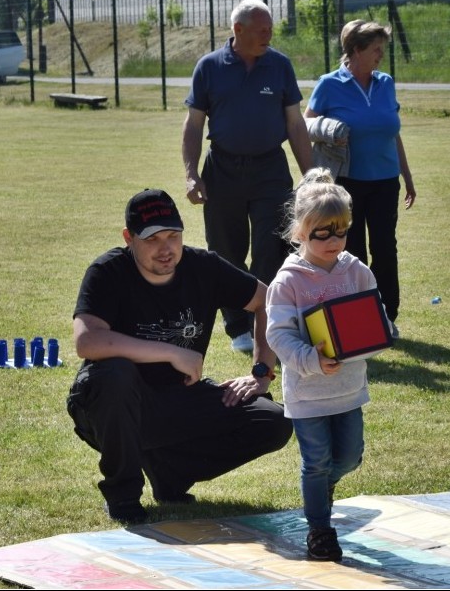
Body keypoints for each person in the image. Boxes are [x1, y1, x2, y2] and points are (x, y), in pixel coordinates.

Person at [66, 189, 293, 525]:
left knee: (273, 421)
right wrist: (171, 352)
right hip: (110, 406)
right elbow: (87, 341)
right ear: (129, 239)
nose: (166, 248)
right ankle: (123, 495)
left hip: (178, 398)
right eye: (152, 238)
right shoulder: (108, 271)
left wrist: (262, 371)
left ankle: (169, 473)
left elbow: (268, 301)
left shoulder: (203, 267)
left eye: (173, 236)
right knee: (115, 373)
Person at [266, 169, 385, 562]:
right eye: (322, 233)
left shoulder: (356, 271)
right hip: (307, 392)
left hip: (348, 390)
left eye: (341, 230)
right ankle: (320, 529)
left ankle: (322, 488)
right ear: (300, 231)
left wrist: (378, 333)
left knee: (349, 457)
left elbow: (375, 315)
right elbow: (278, 335)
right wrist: (311, 360)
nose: (334, 241)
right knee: (315, 461)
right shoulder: (289, 280)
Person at [182, 0, 312, 353]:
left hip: (270, 168)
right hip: (222, 169)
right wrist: (192, 174)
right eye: (262, 30)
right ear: (238, 30)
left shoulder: (280, 66)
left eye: (270, 29)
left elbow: (295, 123)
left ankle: (268, 322)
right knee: (225, 250)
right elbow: (194, 125)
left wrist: (313, 174)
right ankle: (237, 324)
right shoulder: (209, 67)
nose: (269, 35)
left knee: (273, 247)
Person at [304, 20, 416, 340]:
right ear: (356, 50)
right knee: (350, 252)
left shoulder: (386, 83)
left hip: (384, 181)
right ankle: (354, 316)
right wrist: (330, 130)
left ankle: (386, 316)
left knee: (384, 248)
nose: (381, 55)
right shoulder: (329, 84)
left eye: (383, 48)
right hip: (346, 183)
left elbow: (393, 132)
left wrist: (406, 175)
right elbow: (306, 124)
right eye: (376, 48)